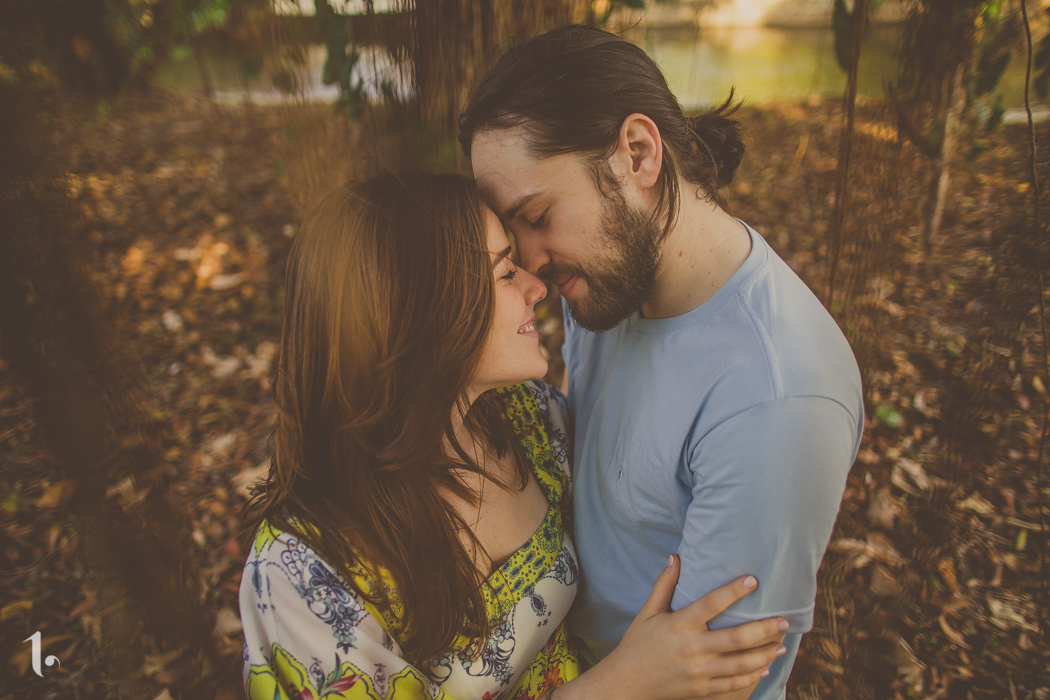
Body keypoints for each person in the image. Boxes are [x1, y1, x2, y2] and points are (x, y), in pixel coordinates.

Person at [238, 173, 789, 700]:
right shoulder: (304, 574)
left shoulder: (531, 423)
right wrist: (624, 684)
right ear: (417, 316)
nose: (536, 286)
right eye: (505, 273)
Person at [459, 25, 865, 700]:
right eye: (513, 228)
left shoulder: (774, 395)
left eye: (537, 214)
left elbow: (708, 687)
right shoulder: (609, 285)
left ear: (639, 154)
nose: (528, 261)